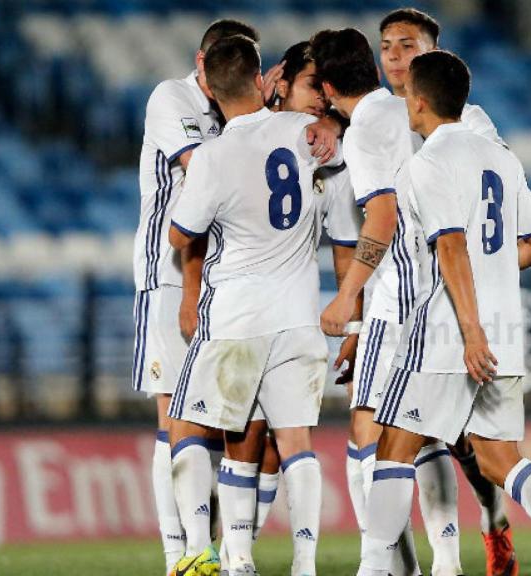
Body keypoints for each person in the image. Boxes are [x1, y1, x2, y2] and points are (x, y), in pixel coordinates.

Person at [358, 49, 531, 576]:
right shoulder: (501, 157)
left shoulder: (427, 163)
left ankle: (373, 571)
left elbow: (450, 247)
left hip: (451, 333)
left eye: (408, 95)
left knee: (392, 449)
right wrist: (491, 278)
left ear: (419, 101)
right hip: (505, 331)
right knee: (500, 460)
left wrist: (470, 333)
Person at [165, 35, 345, 576]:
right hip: (297, 315)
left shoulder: (214, 155)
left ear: (212, 92)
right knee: (295, 442)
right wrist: (332, 124)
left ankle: (213, 554)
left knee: (189, 425)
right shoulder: (302, 129)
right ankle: (303, 564)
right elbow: (335, 143)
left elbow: (180, 236)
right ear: (260, 75)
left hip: (236, 317)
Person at [354, 8, 517, 576]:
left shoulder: (470, 123)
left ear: (434, 54)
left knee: (462, 441)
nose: (395, 55)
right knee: (384, 435)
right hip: (391, 302)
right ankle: (425, 563)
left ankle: (492, 514)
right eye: (387, 46)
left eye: (408, 45)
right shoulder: (370, 114)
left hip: (447, 303)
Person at [132, 18, 257, 574]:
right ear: (200, 59)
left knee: (212, 421)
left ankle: (214, 551)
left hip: (225, 285)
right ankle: (177, 557)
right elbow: (202, 171)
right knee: (172, 417)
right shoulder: (172, 97)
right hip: (167, 278)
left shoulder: (236, 114)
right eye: (216, 61)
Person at [310, 26, 422, 576]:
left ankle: (375, 567)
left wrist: (346, 301)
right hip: (434, 293)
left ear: (328, 86)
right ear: (373, 70)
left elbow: (382, 217)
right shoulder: (408, 112)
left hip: (394, 294)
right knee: (439, 439)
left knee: (366, 429)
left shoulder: (366, 132)